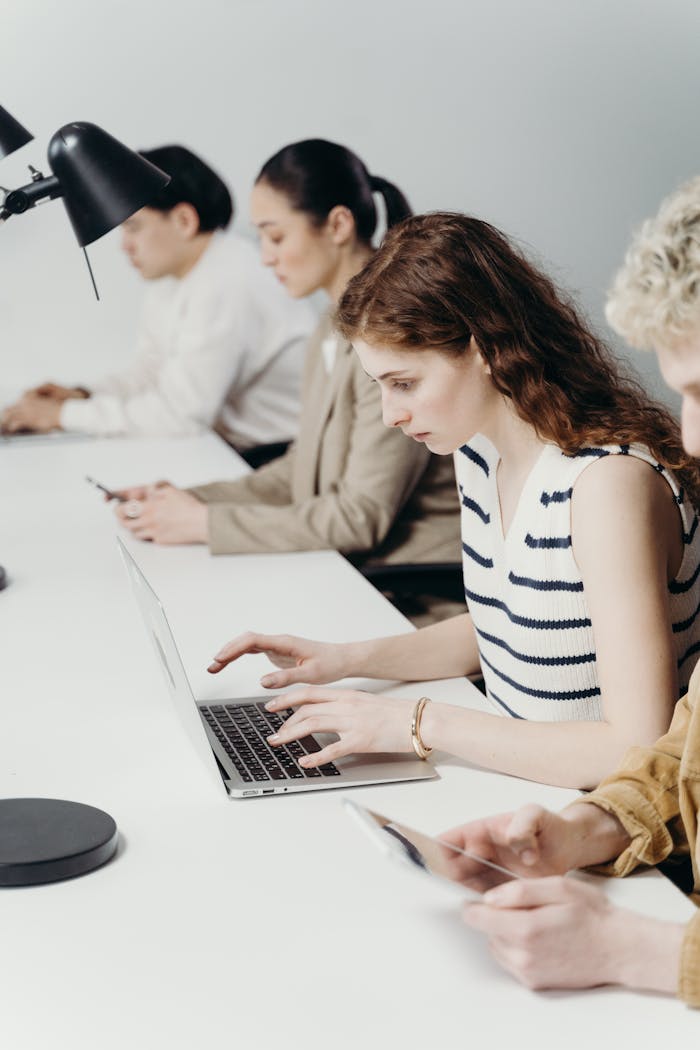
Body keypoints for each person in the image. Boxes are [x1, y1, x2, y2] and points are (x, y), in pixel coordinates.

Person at [206, 211, 700, 791]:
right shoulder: (478, 454)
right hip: (520, 784)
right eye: (381, 387)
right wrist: (347, 660)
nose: (391, 414)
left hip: (603, 825)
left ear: (485, 349)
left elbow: (634, 747)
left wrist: (420, 723)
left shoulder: (607, 485)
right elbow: (512, 625)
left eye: (405, 383)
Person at [433, 176, 700, 1008]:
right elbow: (683, 756)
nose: (690, 432)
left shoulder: (606, 481)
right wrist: (581, 831)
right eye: (684, 391)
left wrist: (637, 951)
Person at [114, 141, 461, 596]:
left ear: (338, 224)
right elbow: (303, 465)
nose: (265, 256)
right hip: (352, 570)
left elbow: (359, 517)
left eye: (276, 237)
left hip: (408, 589)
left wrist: (206, 523)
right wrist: (189, 501)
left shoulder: (390, 339)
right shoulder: (329, 326)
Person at [0, 145, 314, 465]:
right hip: (228, 449)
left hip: (275, 459)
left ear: (183, 220)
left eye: (133, 226)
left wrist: (63, 415)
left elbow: (179, 414)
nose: (124, 246)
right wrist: (82, 394)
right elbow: (152, 374)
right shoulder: (175, 277)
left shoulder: (227, 278)